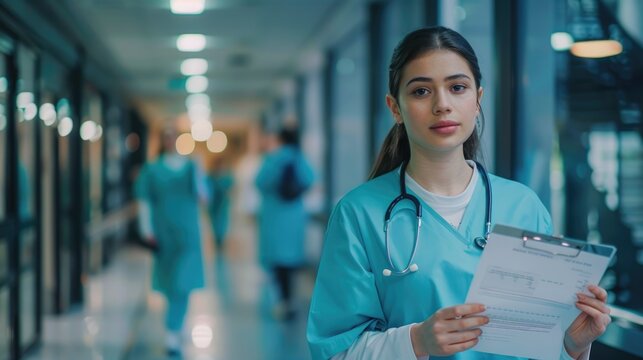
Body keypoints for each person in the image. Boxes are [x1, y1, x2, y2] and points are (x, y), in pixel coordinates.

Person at [306, 26, 610, 360]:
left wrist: (572, 346)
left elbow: (536, 345)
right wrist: (416, 342)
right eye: (421, 91)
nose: (442, 104)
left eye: (457, 87)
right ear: (395, 108)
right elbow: (335, 352)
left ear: (478, 99)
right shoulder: (359, 213)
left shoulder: (523, 206)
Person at [134, 130, 208, 356]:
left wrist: (198, 171)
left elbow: (204, 197)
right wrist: (146, 230)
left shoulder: (191, 167)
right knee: (169, 283)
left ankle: (173, 330)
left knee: (182, 282)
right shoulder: (152, 170)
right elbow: (144, 200)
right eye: (166, 136)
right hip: (163, 233)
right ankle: (175, 325)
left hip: (188, 234)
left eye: (174, 135)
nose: (171, 140)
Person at [255, 126, 314, 320]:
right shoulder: (299, 158)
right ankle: (291, 299)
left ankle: (283, 300)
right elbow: (311, 179)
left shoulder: (273, 159)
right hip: (294, 216)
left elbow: (259, 183)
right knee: (291, 260)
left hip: (274, 215)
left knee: (278, 261)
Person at [206, 156, 235, 252]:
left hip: (222, 205)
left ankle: (220, 240)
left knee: (222, 222)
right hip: (214, 205)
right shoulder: (211, 177)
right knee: (216, 223)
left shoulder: (227, 177)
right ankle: (217, 239)